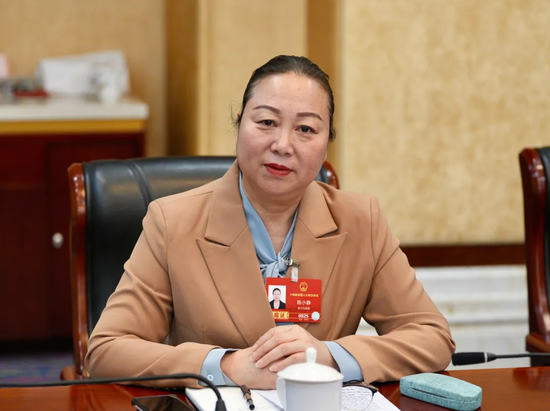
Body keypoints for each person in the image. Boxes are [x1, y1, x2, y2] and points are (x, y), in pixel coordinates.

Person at [85, 55, 455, 389]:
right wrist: (225, 366)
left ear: (327, 143)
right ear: (239, 123)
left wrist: (329, 357)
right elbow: (106, 351)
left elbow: (432, 337)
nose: (282, 144)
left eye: (306, 129)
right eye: (266, 122)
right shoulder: (172, 222)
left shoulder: (361, 221)